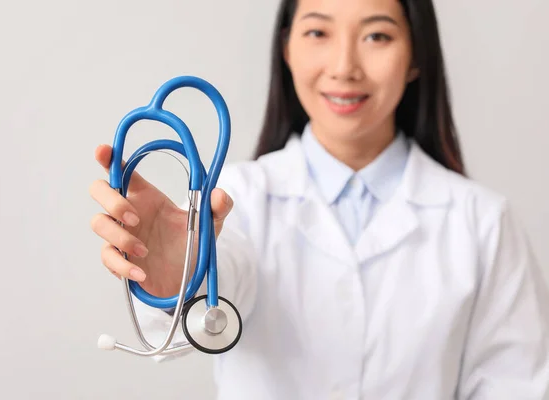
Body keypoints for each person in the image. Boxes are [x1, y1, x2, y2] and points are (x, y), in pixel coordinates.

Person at [89, 0, 549, 398]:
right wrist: (179, 271)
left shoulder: (483, 222)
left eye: (376, 35)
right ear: (287, 48)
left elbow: (516, 386)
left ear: (415, 56)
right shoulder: (235, 198)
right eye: (318, 32)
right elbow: (225, 279)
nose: (344, 65)